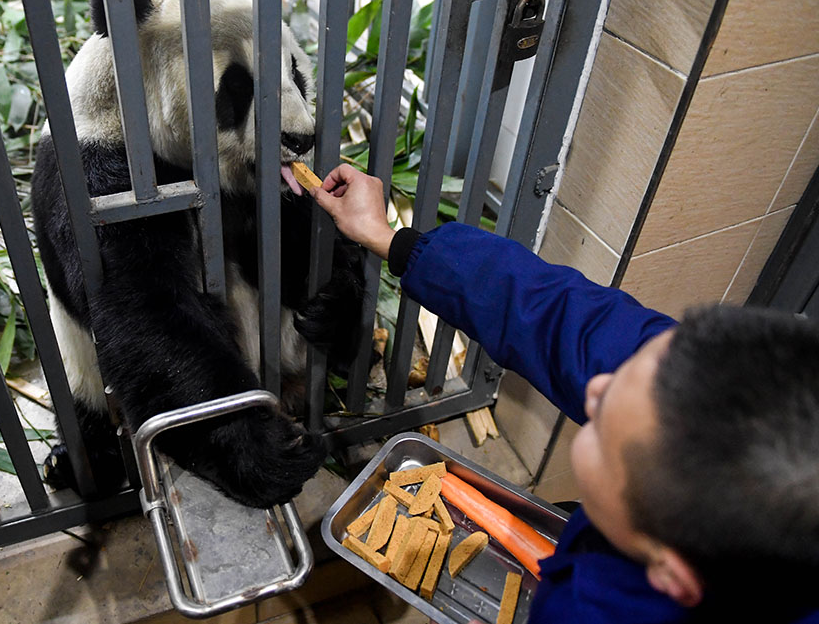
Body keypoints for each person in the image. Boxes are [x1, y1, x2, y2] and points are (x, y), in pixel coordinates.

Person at [310, 163, 819, 624]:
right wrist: (392, 240)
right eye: (629, 374)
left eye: (601, 431)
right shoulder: (712, 404)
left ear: (671, 574)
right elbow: (578, 325)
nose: (595, 391)